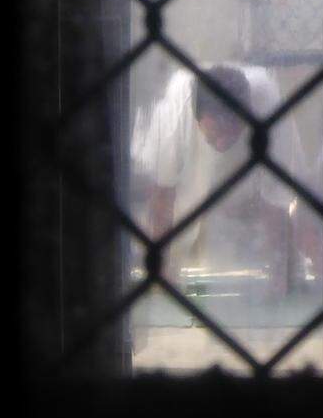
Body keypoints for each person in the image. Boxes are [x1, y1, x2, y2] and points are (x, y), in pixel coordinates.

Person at [131, 63, 313, 299]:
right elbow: (162, 194)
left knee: (277, 205)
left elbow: (276, 199)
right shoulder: (175, 115)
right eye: (216, 134)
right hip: (186, 137)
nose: (223, 141)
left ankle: (283, 269)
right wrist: (161, 268)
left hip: (257, 138)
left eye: (232, 130)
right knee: (176, 212)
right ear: (198, 121)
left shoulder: (268, 106)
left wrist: (278, 278)